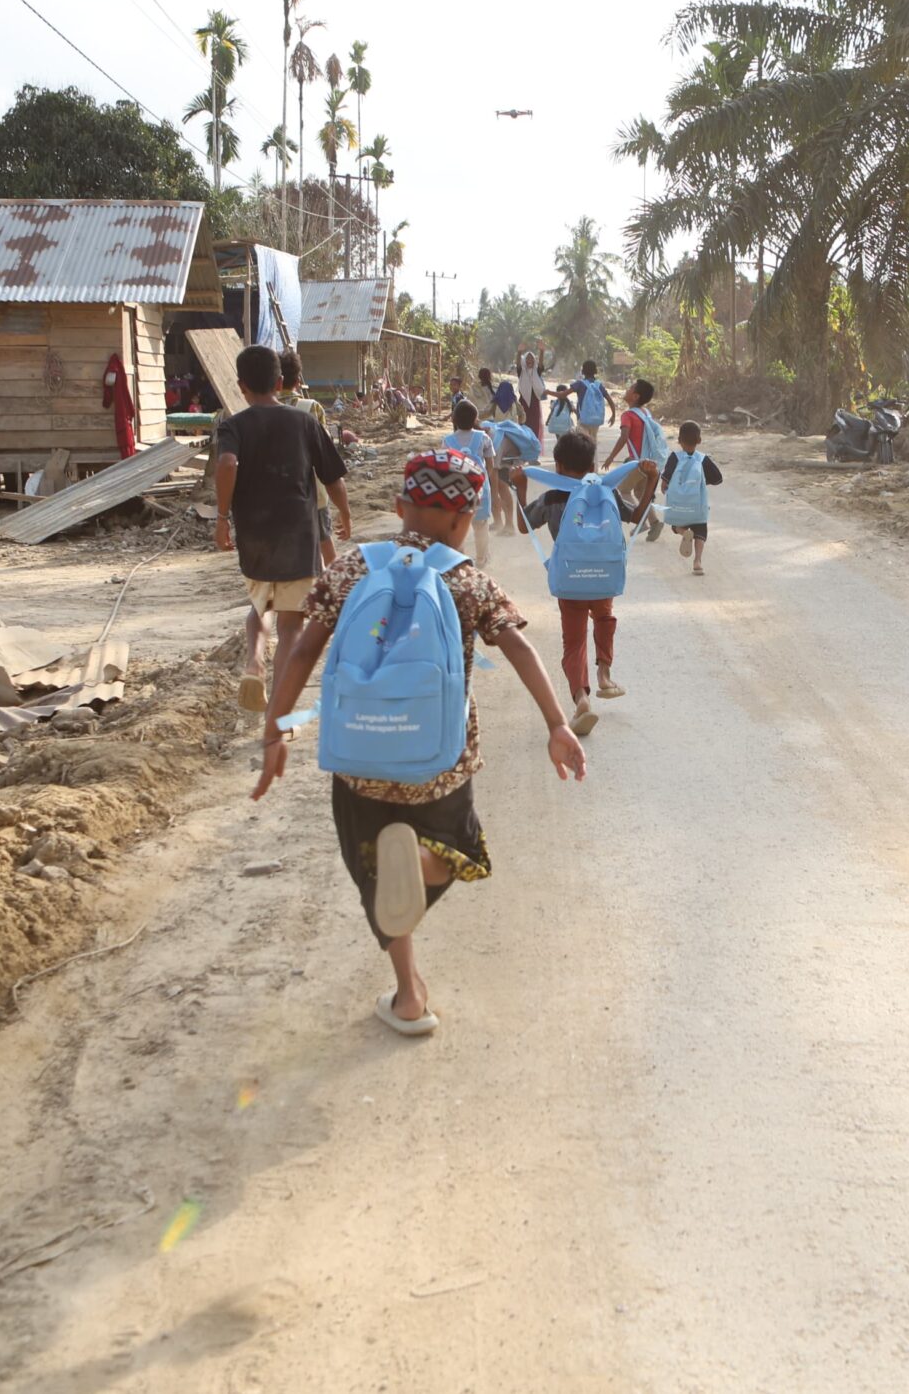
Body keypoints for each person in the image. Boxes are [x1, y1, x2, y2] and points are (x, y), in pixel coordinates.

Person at [252, 449, 586, 1035]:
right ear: (464, 520)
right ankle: (427, 862)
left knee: (379, 881)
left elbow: (302, 651)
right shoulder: (468, 581)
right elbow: (518, 647)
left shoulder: (352, 570)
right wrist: (557, 724)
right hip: (440, 761)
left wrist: (275, 732)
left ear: (399, 506)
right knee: (455, 851)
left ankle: (409, 995)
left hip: (359, 760)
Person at [214, 344, 355, 714]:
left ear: (242, 386)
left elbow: (227, 464)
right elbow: (333, 478)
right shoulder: (305, 422)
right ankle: (279, 710)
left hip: (254, 533)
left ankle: (254, 663)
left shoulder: (233, 426)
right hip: (298, 533)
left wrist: (222, 518)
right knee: (291, 624)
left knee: (261, 605)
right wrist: (344, 513)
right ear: (280, 382)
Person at [524, 430, 621, 734]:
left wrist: (519, 486)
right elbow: (638, 514)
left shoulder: (552, 497)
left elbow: (523, 524)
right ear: (592, 467)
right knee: (604, 617)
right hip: (602, 576)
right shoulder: (606, 492)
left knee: (574, 640)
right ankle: (604, 674)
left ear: (558, 467)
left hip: (570, 579)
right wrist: (651, 481)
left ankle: (581, 699)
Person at [280, 350, 338, 568]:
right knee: (325, 543)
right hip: (312, 489)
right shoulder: (311, 408)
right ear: (298, 380)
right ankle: (333, 585)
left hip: (276, 491)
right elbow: (325, 451)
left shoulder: (261, 410)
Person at [600, 375, 668, 540]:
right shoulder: (645, 413)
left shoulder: (628, 415)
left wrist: (611, 457)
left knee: (623, 490)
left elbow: (624, 437)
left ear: (635, 396)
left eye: (631, 388)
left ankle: (640, 520)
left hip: (639, 462)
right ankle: (654, 523)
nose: (627, 389)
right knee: (640, 493)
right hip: (650, 462)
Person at [662, 419, 726, 578]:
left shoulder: (674, 457)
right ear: (699, 440)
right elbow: (718, 479)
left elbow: (665, 483)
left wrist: (668, 490)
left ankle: (683, 532)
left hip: (679, 505)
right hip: (697, 504)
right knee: (700, 529)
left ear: (679, 440)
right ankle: (697, 561)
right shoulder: (702, 459)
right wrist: (701, 482)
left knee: (676, 523)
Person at [442, 399, 498, 566]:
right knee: (481, 526)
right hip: (480, 489)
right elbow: (490, 465)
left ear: (454, 419)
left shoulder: (447, 441)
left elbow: (444, 467)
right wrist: (485, 481)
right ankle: (481, 559)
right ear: (475, 419)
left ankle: (461, 561)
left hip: (456, 491)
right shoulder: (483, 437)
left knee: (458, 527)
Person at [566, 360, 615, 440]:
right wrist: (613, 415)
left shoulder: (580, 384)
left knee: (582, 443)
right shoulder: (599, 385)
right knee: (592, 441)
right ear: (595, 371)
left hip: (583, 420)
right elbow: (610, 400)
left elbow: (563, 394)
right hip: (596, 420)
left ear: (583, 371)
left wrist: (548, 392)